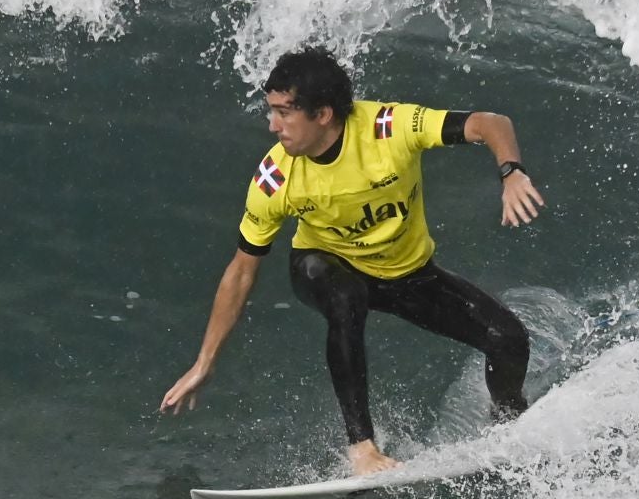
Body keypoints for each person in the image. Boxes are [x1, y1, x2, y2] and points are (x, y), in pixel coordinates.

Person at [159, 46, 546, 475]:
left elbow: (490, 123)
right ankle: (362, 449)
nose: (273, 126)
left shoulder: (389, 128)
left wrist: (511, 172)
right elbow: (241, 270)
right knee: (345, 296)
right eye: (271, 111)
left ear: (323, 114)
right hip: (322, 265)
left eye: (285, 113)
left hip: (407, 273)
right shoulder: (276, 178)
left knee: (508, 338)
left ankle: (509, 430)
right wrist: (204, 362)